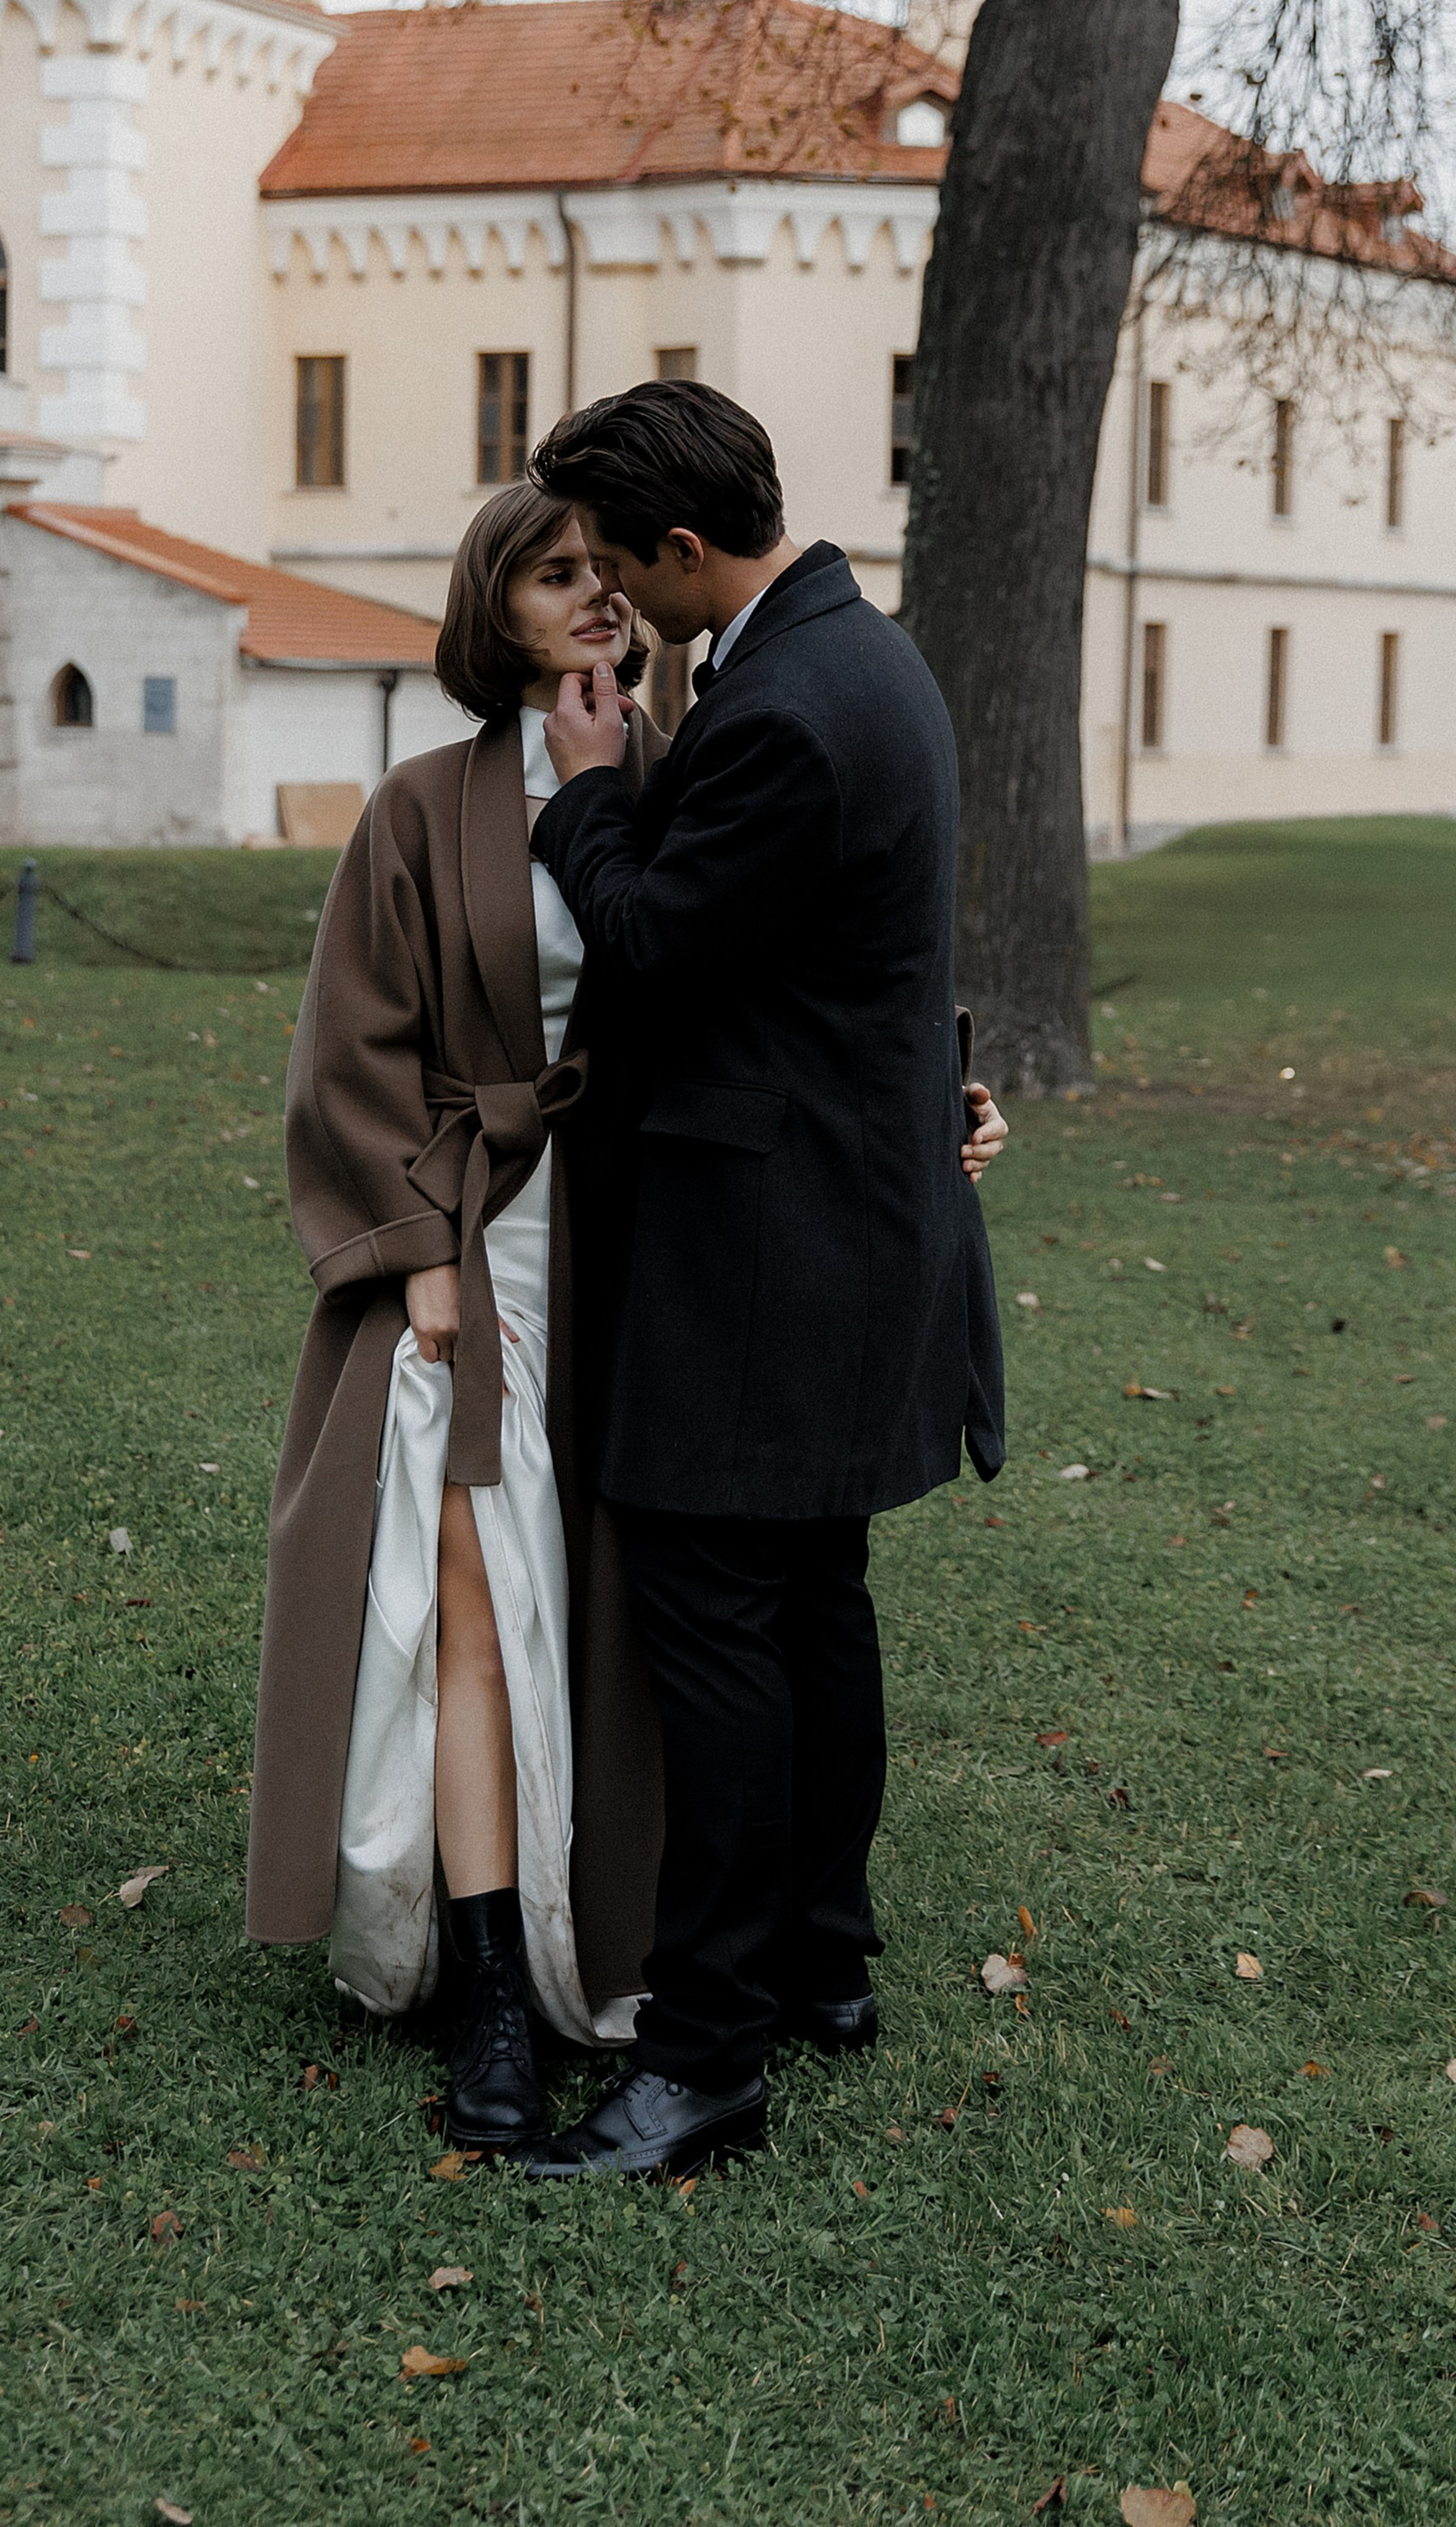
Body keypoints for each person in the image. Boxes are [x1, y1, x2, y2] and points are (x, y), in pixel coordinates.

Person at [515, 377, 1009, 2180]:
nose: (614, 603)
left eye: (624, 569)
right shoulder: (845, 651)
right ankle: (821, 1964)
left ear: (685, 546)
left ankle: (704, 2057)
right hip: (849, 1220)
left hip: (769, 1253)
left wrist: (583, 797)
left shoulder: (790, 708)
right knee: (813, 1608)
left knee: (722, 1631)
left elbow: (648, 939)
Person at [245, 484, 667, 2153]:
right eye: (556, 577)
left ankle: (628, 1928)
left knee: (629, 1598)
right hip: (477, 1250)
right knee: (474, 1592)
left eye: (610, 577)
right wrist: (420, 1243)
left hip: (647, 1255)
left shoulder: (679, 787)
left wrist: (942, 1101)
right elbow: (350, 1056)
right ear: (493, 610)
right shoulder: (419, 813)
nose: (596, 603)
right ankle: (490, 1979)